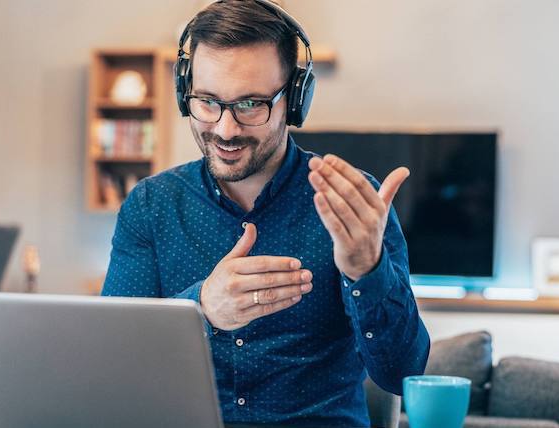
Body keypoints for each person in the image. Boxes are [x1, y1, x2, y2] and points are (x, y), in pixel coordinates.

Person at [102, 1, 430, 426]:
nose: (224, 129)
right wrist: (199, 309)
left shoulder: (356, 203)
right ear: (186, 93)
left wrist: (366, 269)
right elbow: (114, 362)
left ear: (294, 100)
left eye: (251, 104)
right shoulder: (150, 207)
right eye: (207, 101)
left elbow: (404, 375)